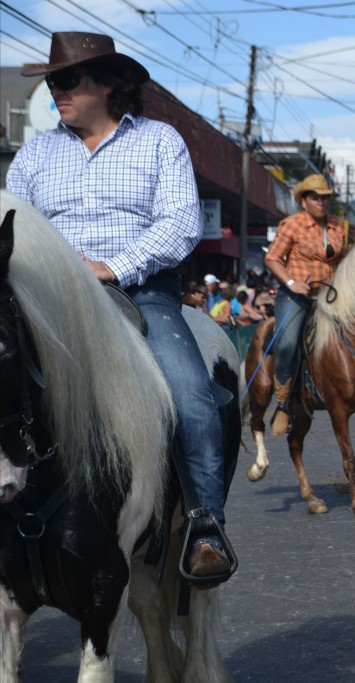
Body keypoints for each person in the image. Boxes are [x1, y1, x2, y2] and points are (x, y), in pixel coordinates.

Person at [6, 31, 232, 577]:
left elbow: (180, 223)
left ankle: (205, 523)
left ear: (109, 85)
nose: (55, 89)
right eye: (52, 81)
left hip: (139, 290)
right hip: (50, 299)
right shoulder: (35, 154)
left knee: (192, 391)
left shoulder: (159, 141)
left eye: (66, 80)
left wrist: (111, 268)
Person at [263, 173, 348, 436]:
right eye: (315, 197)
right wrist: (291, 282)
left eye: (325, 197)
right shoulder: (291, 224)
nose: (321, 202)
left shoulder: (338, 226)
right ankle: (283, 404)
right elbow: (273, 258)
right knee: (287, 342)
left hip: (330, 297)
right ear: (304, 201)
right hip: (296, 295)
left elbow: (342, 262)